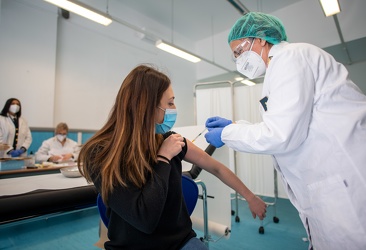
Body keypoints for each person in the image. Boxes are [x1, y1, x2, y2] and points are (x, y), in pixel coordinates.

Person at [204, 12, 366, 250]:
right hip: (330, 179)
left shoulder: (291, 57)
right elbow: (286, 124)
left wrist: (227, 134)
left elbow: (281, 134)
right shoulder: (282, 67)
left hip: (345, 180)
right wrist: (235, 127)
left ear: (261, 39)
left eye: (239, 51)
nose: (238, 61)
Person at [78, 64, 267, 250]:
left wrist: (250, 197)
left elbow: (215, 167)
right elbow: (144, 219)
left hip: (181, 242)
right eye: (169, 103)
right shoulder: (100, 154)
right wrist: (163, 159)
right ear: (146, 107)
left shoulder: (170, 140)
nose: (174, 108)